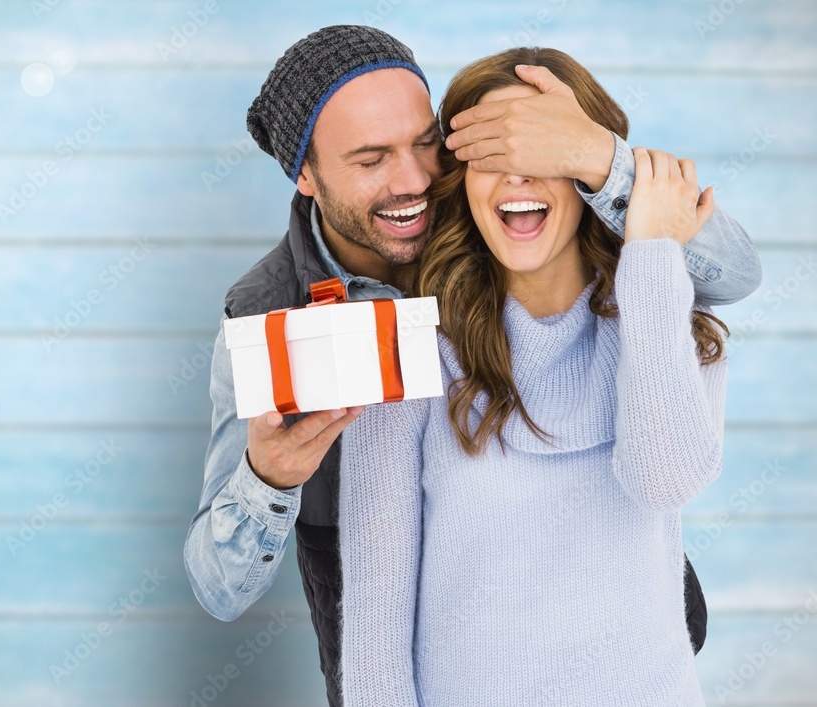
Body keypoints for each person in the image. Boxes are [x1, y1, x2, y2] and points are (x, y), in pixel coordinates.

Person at [183, 25, 761, 706]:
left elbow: (728, 275)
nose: (412, 181)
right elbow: (242, 589)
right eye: (371, 159)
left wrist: (604, 166)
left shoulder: (620, 285)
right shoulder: (288, 324)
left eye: (425, 144)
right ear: (307, 175)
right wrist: (270, 477)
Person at [339, 46, 730, 705]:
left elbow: (662, 479)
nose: (517, 177)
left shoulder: (669, 321)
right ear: (460, 180)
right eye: (491, 154)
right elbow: (375, 627)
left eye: (545, 151)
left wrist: (654, 254)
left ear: (586, 173)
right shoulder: (410, 353)